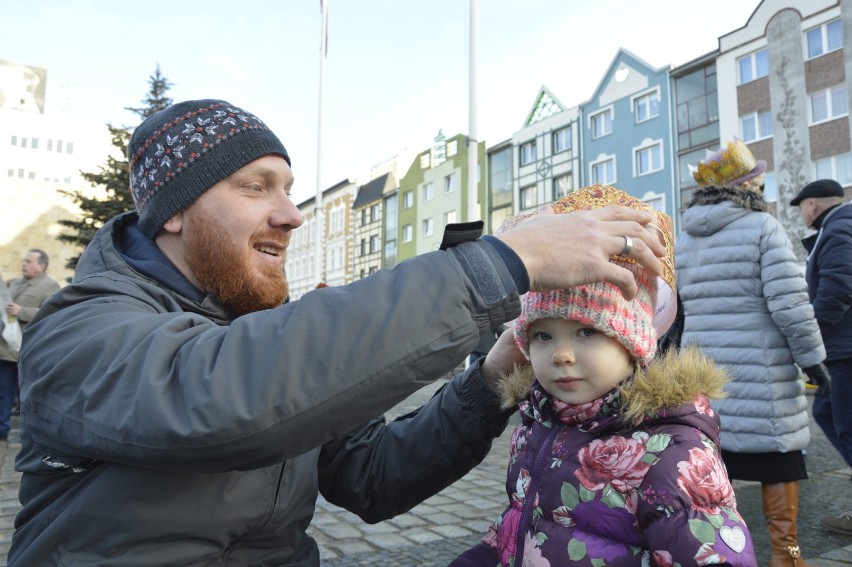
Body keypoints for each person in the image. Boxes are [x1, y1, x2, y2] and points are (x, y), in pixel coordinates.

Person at [8, 99, 666, 566]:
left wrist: (493, 377)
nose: (291, 214)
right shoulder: (79, 328)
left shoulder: (264, 327)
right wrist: (505, 262)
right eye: (257, 187)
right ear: (174, 212)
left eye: (290, 189)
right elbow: (219, 395)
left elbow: (374, 474)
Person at [451, 185, 755, 566]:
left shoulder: (673, 456)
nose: (561, 354)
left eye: (587, 332)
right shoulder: (537, 424)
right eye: (543, 336)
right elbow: (516, 527)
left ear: (634, 343)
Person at [676, 140, 829, 566]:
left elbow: (677, 308)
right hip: (761, 370)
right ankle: (788, 556)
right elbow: (789, 303)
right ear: (748, 186)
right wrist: (813, 358)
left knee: (712, 468)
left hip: (706, 370)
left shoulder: (684, 237)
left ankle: (721, 555)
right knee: (778, 463)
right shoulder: (763, 227)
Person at [790, 178, 852, 535]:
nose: (802, 213)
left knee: (846, 424)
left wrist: (809, 335)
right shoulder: (839, 227)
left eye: (801, 206)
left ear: (812, 204)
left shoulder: (839, 229)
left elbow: (839, 288)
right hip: (842, 350)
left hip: (846, 351)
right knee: (827, 411)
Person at [0, 248, 60, 440]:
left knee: (28, 395)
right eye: (24, 260)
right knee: (3, 393)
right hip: (6, 348)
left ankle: (31, 434)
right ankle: (2, 431)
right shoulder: (15, 283)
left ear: (41, 266)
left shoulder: (51, 286)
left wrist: (21, 310)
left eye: (28, 261)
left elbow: (51, 313)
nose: (23, 263)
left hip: (28, 350)